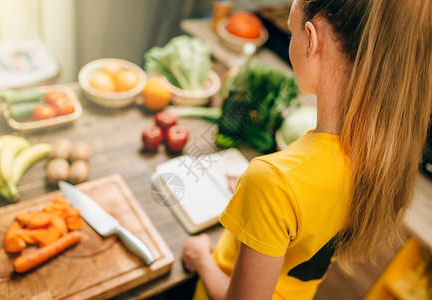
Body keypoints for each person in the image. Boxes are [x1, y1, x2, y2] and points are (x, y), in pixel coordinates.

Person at [182, 0, 432, 299]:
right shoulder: (378, 156)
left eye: (291, 32)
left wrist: (201, 260)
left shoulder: (275, 180)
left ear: (311, 41)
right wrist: (266, 205)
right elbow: (309, 219)